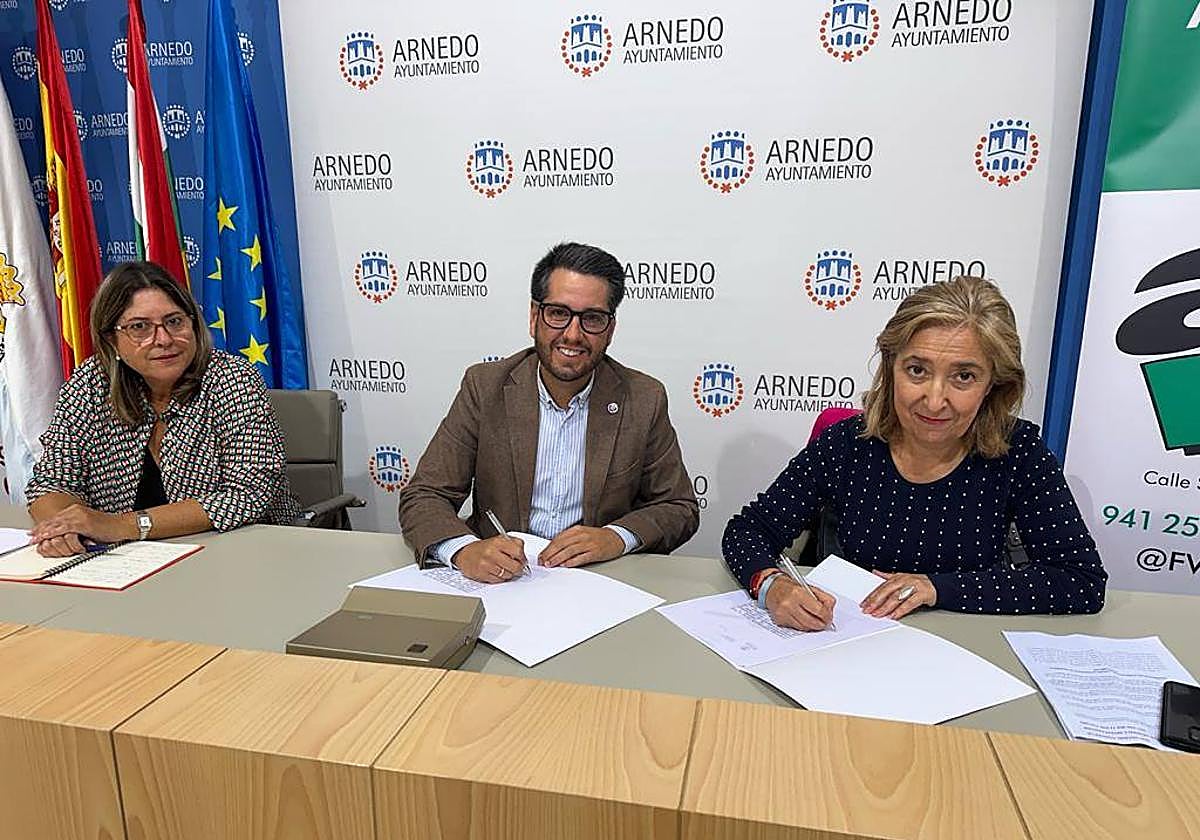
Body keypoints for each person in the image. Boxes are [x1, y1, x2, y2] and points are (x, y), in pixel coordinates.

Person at [723, 276, 1106, 630]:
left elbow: (1080, 580)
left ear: (994, 384)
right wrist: (771, 584)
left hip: (968, 645)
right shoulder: (846, 443)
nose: (935, 400)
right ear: (891, 367)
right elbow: (747, 531)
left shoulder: (1020, 452)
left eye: (964, 376)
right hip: (848, 639)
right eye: (917, 370)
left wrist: (935, 588)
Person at [399, 242, 699, 582]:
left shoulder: (644, 398)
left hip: (597, 582)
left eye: (592, 319)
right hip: (502, 581)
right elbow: (425, 494)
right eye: (558, 313)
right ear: (534, 317)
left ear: (610, 329)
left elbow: (679, 508)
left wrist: (615, 537)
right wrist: (464, 550)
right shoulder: (485, 387)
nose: (573, 334)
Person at [26, 261, 300, 556]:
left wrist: (122, 525)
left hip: (241, 552)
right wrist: (63, 529)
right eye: (139, 327)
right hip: (125, 561)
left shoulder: (231, 379)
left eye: (174, 321)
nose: (164, 340)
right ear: (111, 340)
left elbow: (250, 493)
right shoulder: (90, 384)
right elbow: (51, 482)